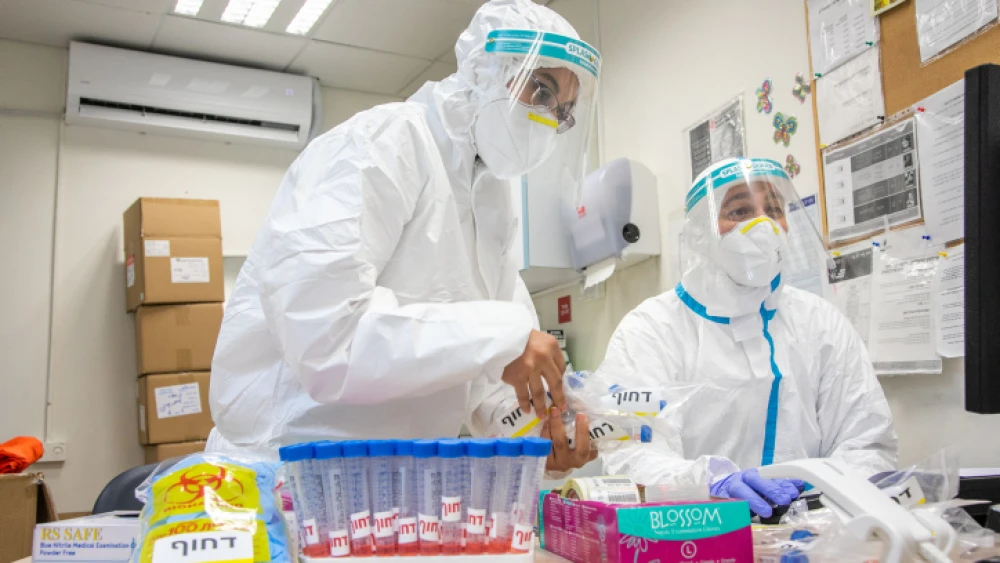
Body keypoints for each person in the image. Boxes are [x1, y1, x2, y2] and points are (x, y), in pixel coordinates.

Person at [207, 0, 601, 474]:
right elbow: (326, 337)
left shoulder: (492, 202)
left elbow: (483, 377)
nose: (549, 119)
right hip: (285, 473)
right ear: (486, 71)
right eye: (540, 91)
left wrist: (540, 431)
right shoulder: (380, 144)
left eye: (564, 111)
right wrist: (503, 340)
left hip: (395, 489)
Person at [595, 158, 897, 516]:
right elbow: (629, 452)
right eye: (739, 210)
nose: (763, 225)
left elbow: (868, 443)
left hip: (814, 538)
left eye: (773, 209)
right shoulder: (649, 331)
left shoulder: (821, 323)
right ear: (700, 233)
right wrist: (707, 484)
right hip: (697, 535)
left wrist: (821, 493)